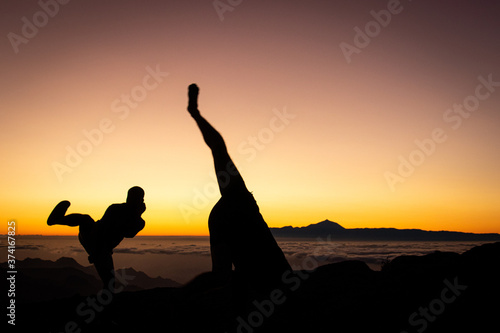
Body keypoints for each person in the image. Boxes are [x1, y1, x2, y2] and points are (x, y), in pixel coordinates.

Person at [187, 84, 291, 290]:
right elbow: (218, 147)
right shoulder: (240, 203)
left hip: (256, 282)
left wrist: (195, 114)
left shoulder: (227, 210)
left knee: (220, 276)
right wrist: (195, 114)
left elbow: (218, 147)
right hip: (273, 283)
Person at [47, 186, 146, 291]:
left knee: (109, 284)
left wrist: (136, 215)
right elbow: (104, 230)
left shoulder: (138, 222)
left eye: (135, 198)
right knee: (86, 219)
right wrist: (96, 253)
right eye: (130, 197)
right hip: (95, 239)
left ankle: (106, 302)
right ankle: (57, 219)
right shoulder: (115, 209)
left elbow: (129, 233)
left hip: (102, 250)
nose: (130, 200)